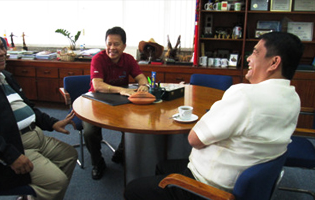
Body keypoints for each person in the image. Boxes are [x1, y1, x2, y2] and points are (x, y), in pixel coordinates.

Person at [124, 32, 304, 200]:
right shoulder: (293, 98)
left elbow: (194, 139)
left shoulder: (245, 96)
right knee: (163, 166)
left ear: (274, 62)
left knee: (132, 189)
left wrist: (214, 114)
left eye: (255, 53)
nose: (248, 58)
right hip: (242, 173)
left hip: (210, 186)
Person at [0, 29, 78, 200]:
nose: (2, 53)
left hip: (35, 135)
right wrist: (10, 155)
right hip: (12, 145)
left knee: (69, 155)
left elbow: (27, 107)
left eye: (2, 47)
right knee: (56, 182)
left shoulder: (3, 76)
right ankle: (45, 191)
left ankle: (36, 195)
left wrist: (51, 123)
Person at [84, 26, 149, 180]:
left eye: (116, 44)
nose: (112, 48)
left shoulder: (128, 59)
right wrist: (121, 90)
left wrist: (144, 85)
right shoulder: (98, 59)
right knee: (89, 132)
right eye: (109, 44)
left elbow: (141, 77)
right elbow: (98, 85)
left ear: (124, 46)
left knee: (134, 124)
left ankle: (120, 152)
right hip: (97, 100)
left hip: (121, 102)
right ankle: (97, 162)